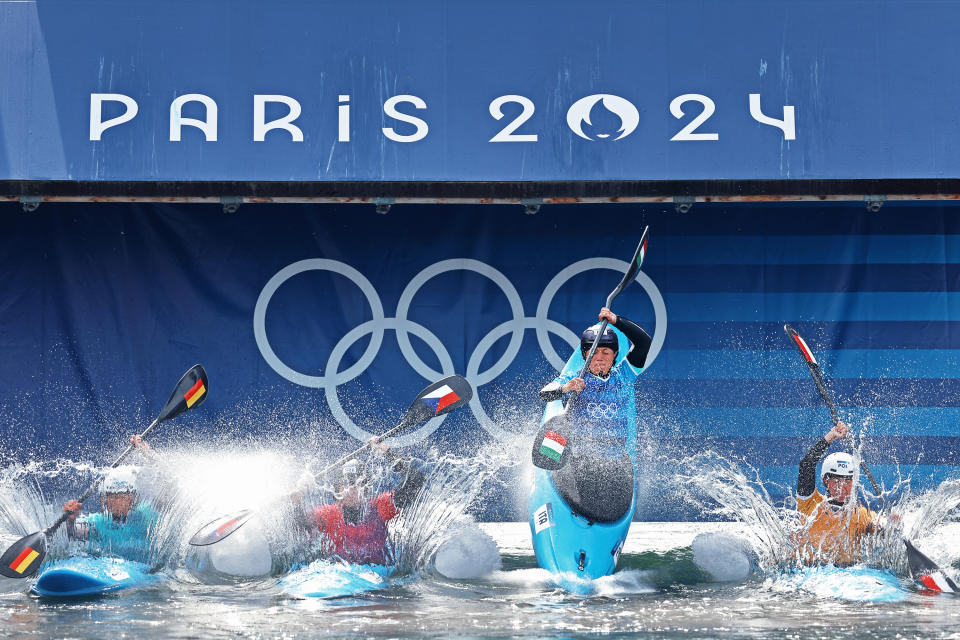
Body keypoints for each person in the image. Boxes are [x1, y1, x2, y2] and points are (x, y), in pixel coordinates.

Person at [295, 437, 425, 565]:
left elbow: (416, 480)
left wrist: (386, 452)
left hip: (377, 577)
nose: (352, 489)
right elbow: (297, 524)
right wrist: (295, 501)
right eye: (346, 484)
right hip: (336, 577)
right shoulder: (326, 515)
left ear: (366, 488)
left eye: (357, 484)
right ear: (337, 489)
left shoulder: (381, 507)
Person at [539, 307, 652, 450]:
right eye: (594, 352)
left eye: (606, 352)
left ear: (614, 356)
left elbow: (644, 342)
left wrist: (616, 320)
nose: (599, 358)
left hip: (617, 462)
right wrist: (565, 388)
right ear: (584, 355)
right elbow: (544, 394)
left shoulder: (624, 376)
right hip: (578, 461)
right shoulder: (574, 378)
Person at [794, 421, 881, 566]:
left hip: (846, 579)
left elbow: (881, 527)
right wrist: (830, 437)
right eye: (836, 481)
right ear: (825, 480)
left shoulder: (860, 515)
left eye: (848, 481)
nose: (842, 487)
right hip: (809, 571)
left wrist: (892, 525)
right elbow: (806, 465)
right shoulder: (810, 503)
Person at [62, 436, 160, 564]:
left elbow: (171, 481)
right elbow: (70, 533)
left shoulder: (148, 516)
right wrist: (69, 519)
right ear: (103, 499)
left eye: (122, 496)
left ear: (132, 499)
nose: (116, 502)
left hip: (147, 577)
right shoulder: (97, 524)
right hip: (110, 572)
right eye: (111, 497)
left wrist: (148, 454)